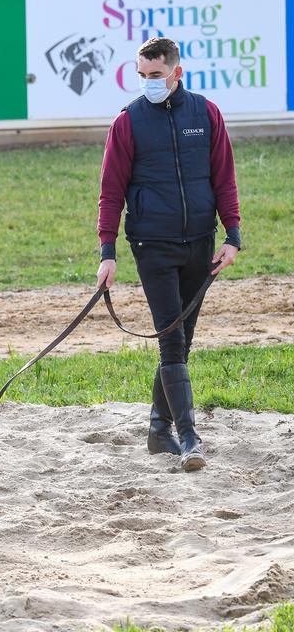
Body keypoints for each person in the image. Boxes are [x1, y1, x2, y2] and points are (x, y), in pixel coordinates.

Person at [95, 37, 241, 473]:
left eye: (155, 76)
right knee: (172, 341)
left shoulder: (207, 114)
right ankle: (189, 437)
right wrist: (108, 251)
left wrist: (232, 235)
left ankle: (159, 430)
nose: (148, 84)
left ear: (177, 73)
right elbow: (110, 192)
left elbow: (224, 177)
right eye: (141, 76)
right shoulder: (127, 123)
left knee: (182, 342)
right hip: (151, 245)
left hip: (201, 242)